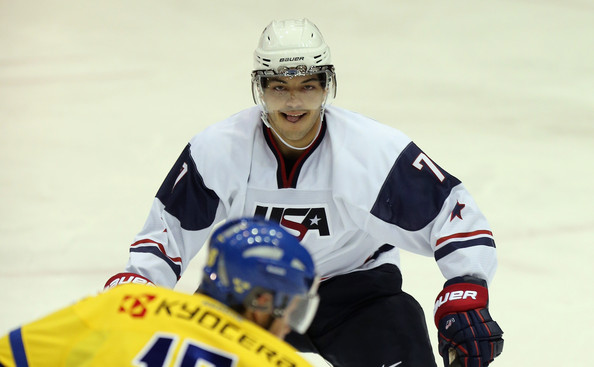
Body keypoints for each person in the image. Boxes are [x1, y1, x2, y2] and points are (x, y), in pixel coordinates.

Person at [105, 18, 504, 367]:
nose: (294, 102)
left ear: (326, 86)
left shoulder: (372, 151)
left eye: (307, 86)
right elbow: (168, 230)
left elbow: (454, 214)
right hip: (246, 297)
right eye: (280, 86)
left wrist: (463, 288)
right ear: (260, 88)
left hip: (357, 295)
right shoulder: (219, 149)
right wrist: (137, 287)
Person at [0, 217, 319, 367]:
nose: (289, 325)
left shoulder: (126, 302)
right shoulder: (285, 363)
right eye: (293, 309)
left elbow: (11, 355)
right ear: (261, 301)